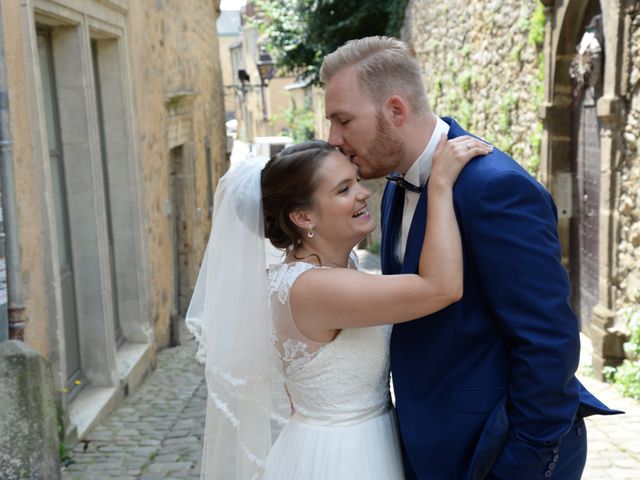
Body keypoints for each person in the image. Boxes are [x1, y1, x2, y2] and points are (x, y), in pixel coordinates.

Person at [320, 35, 621, 480]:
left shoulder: (495, 187)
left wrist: (523, 459)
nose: (333, 138)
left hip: (498, 450)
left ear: (396, 111)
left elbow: (548, 341)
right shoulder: (393, 190)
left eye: (344, 120)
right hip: (429, 447)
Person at [186, 136, 490, 479]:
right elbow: (441, 288)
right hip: (343, 455)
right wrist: (441, 184)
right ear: (303, 217)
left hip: (358, 436)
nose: (363, 193)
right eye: (343, 189)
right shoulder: (315, 287)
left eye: (356, 180)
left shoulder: (335, 268)